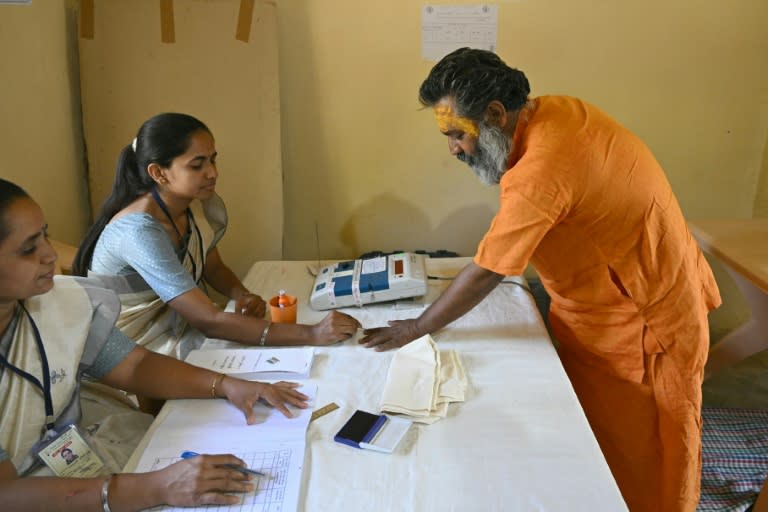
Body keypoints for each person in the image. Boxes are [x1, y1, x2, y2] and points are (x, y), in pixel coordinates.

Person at [360, 48, 721, 512]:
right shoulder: (555, 110)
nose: (453, 148)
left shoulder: (545, 166)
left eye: (457, 134)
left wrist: (415, 327)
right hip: (602, 307)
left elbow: (490, 267)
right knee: (594, 443)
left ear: (494, 114)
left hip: (642, 324)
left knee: (645, 460)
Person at [0, 178, 310, 509]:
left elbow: (135, 365)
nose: (50, 255)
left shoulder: (55, 304)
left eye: (45, 236)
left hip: (68, 458)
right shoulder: (138, 230)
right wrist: (155, 487)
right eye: (29, 248)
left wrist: (227, 385)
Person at [73, 113, 359, 360]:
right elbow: (207, 320)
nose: (212, 173)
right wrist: (311, 332)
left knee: (273, 350)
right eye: (197, 165)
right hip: (135, 347)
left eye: (212, 160)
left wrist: (241, 294)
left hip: (182, 323)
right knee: (273, 356)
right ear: (158, 172)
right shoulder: (140, 231)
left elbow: (212, 266)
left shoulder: (190, 205)